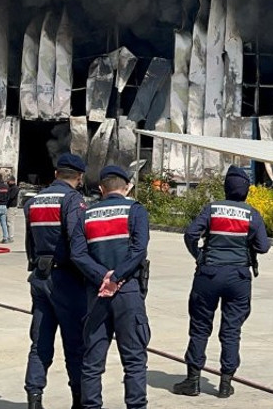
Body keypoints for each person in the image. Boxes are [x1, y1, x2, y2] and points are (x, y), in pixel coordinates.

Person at [172, 166, 270, 399]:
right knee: (231, 330)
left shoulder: (212, 209)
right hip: (238, 278)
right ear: (246, 191)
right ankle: (225, 383)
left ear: (226, 188)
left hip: (209, 275)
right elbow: (263, 247)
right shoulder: (251, 214)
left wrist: (199, 256)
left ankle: (193, 381)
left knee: (199, 327)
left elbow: (190, 234)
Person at [71, 165, 150, 409]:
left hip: (97, 293)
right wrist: (117, 277)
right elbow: (139, 249)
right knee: (134, 360)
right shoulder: (135, 210)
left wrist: (102, 277)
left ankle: (91, 405)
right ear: (126, 187)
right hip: (127, 292)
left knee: (92, 362)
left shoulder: (87, 214)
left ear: (101, 188)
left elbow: (78, 253)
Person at [24, 154, 90, 409]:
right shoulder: (73, 200)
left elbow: (30, 242)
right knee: (75, 343)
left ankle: (34, 398)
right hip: (67, 280)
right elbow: (77, 242)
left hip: (40, 277)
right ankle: (78, 400)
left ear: (55, 174)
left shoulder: (35, 200)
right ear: (79, 177)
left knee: (40, 342)